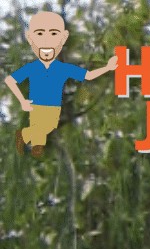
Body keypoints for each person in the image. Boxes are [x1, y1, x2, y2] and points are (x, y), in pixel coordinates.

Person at [6, 10, 114, 156]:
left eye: (53, 34)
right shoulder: (33, 67)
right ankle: (27, 137)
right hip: (37, 104)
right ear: (30, 38)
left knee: (48, 126)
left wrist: (107, 67)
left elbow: (88, 76)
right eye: (39, 34)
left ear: (63, 38)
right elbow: (10, 80)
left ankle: (33, 141)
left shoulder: (63, 68)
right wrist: (22, 101)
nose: (46, 41)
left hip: (54, 106)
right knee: (40, 127)